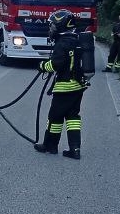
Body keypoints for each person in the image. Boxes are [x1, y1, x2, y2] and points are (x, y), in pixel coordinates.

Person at [33, 10, 88, 159]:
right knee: (73, 117)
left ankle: (49, 145)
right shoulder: (77, 39)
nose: (51, 29)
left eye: (53, 26)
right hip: (78, 86)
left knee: (54, 117)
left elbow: (56, 64)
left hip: (64, 87)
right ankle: (75, 149)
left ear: (61, 26)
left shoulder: (62, 43)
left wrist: (42, 66)